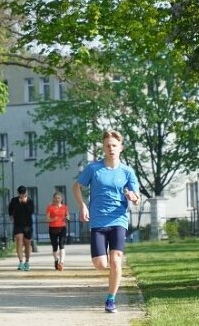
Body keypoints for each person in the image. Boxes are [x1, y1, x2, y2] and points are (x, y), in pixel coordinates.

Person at [73, 129, 140, 314]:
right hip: (98, 221)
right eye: (108, 145)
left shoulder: (127, 171)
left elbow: (137, 198)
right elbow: (76, 187)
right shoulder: (94, 169)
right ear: (103, 148)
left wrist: (132, 196)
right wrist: (83, 206)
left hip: (119, 219)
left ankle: (111, 299)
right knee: (100, 264)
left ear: (121, 148)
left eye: (114, 145)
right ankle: (114, 273)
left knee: (116, 260)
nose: (111, 148)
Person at [8, 185, 35, 271]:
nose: (22, 195)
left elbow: (31, 211)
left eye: (23, 193)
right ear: (18, 193)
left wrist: (25, 202)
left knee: (27, 243)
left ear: (25, 193)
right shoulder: (14, 200)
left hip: (27, 225)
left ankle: (27, 261)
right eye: (20, 194)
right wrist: (11, 215)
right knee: (19, 240)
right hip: (18, 224)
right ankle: (20, 262)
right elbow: (10, 208)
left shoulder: (30, 201)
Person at [45, 191, 69, 271]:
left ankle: (61, 263)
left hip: (62, 227)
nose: (57, 199)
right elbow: (47, 219)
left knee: (61, 244)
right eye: (56, 198)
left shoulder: (64, 207)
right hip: (53, 228)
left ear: (61, 199)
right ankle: (56, 260)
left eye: (59, 198)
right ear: (53, 199)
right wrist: (53, 219)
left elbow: (67, 215)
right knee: (54, 246)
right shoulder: (50, 207)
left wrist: (67, 218)